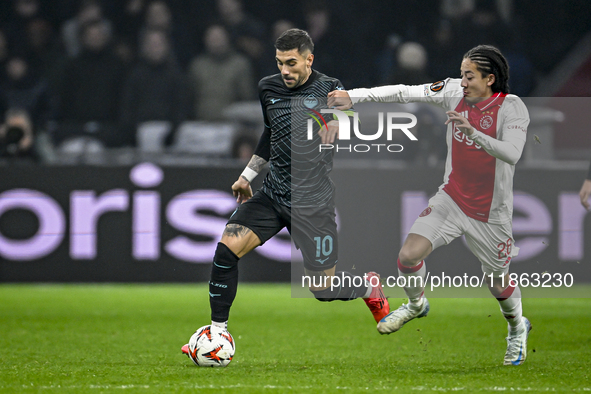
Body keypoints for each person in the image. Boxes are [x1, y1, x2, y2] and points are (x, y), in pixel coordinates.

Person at [182, 28, 389, 358]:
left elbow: (349, 112)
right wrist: (247, 175)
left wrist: (336, 120)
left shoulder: (329, 86)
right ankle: (217, 332)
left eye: (292, 63)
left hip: (313, 204)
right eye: (280, 63)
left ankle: (368, 287)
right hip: (273, 195)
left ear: (309, 59)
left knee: (322, 290)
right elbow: (270, 133)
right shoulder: (268, 88)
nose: (285, 71)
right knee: (225, 251)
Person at [328, 44, 532, 366]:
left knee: (498, 282)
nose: (462, 82)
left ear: (490, 79)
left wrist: (474, 133)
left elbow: (513, 153)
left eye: (469, 76)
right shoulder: (452, 92)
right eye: (462, 74)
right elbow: (403, 91)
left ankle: (518, 328)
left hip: (491, 213)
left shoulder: (512, 108)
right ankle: (416, 304)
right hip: (451, 199)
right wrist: (355, 96)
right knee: (408, 256)